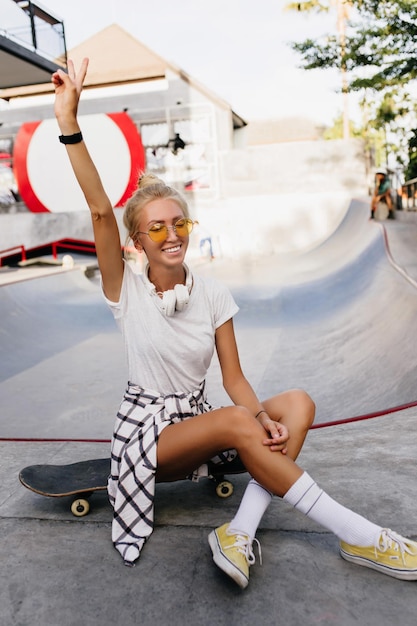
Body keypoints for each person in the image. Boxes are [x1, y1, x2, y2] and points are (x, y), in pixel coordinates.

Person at [52, 59, 417, 588]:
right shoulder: (124, 290)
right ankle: (361, 535)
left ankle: (239, 532)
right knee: (239, 421)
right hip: (150, 436)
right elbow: (101, 211)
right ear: (138, 242)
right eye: (157, 228)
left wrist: (263, 419)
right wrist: (69, 121)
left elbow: (235, 379)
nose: (171, 234)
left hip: (201, 420)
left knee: (296, 404)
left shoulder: (214, 292)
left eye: (180, 222)